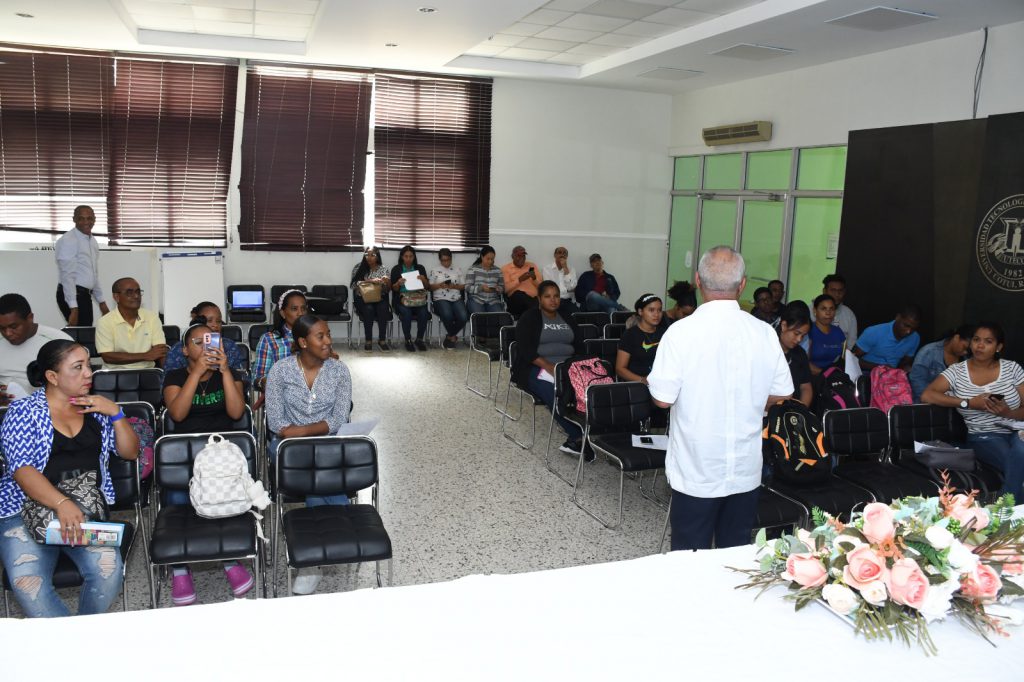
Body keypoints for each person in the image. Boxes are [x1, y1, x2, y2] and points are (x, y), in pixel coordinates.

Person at [648, 246, 792, 551]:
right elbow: (783, 391)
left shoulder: (680, 333)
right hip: (745, 469)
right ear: (743, 285)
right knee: (734, 554)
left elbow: (662, 399)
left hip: (697, 468)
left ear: (698, 281)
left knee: (690, 555)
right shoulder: (764, 332)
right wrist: (752, 401)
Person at [0, 339, 139, 617]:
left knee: (107, 572)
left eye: (88, 365)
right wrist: (61, 503)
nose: (88, 373)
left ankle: (80, 634)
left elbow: (130, 452)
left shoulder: (95, 409)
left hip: (83, 508)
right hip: (23, 508)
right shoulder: (23, 412)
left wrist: (115, 413)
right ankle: (68, 640)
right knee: (29, 582)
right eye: (78, 367)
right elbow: (22, 470)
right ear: (52, 377)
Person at [161, 322, 251, 605]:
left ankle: (230, 559)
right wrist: (196, 373)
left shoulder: (230, 373)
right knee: (178, 503)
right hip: (184, 458)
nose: (205, 347)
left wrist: (224, 372)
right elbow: (177, 413)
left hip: (221, 458)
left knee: (224, 501)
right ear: (185, 350)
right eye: (197, 343)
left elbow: (236, 412)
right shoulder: (175, 376)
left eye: (210, 341)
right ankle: (180, 567)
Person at [265, 315, 353, 595]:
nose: (328, 341)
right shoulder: (280, 371)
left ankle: (312, 562)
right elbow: (275, 422)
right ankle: (340, 535)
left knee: (319, 471)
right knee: (321, 470)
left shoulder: (339, 371)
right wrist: (295, 434)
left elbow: (339, 418)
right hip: (288, 448)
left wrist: (302, 431)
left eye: (328, 335)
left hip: (323, 443)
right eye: (321, 336)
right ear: (303, 342)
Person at [922, 322, 1024, 499]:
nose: (980, 345)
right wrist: (967, 403)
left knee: (1021, 452)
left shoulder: (1012, 369)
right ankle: (1007, 508)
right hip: (984, 435)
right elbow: (927, 395)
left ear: (998, 347)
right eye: (976, 340)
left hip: (1017, 430)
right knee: (1015, 463)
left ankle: (1006, 508)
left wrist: (1007, 413)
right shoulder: (956, 372)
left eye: (988, 341)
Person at [512, 280, 588, 455]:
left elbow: (579, 345)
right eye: (547, 296)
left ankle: (593, 428)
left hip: (568, 366)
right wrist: (549, 366)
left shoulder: (567, 316)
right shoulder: (530, 317)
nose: (553, 300)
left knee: (590, 389)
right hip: (536, 366)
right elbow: (525, 350)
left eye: (556, 296)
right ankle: (577, 436)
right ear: (539, 299)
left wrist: (576, 367)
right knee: (554, 391)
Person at [0, 293, 72, 405]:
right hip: (5, 409)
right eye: (2, 328)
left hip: (49, 408)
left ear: (30, 318)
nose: (8, 333)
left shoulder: (59, 342)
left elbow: (76, 382)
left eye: (14, 327)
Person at [54, 205, 109, 327]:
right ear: (74, 219)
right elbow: (67, 275)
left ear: (94, 219)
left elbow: (93, 274)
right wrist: (74, 307)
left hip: (83, 295)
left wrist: (101, 301)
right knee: (82, 333)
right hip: (72, 295)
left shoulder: (92, 241)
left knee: (84, 332)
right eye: (81, 218)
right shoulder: (68, 240)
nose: (86, 222)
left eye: (89, 218)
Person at [95, 277, 168, 369]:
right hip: (115, 373)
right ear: (116, 297)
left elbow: (160, 351)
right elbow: (107, 356)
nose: (136, 296)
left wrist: (167, 374)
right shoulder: (104, 322)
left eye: (138, 292)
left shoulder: (151, 317)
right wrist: (145, 355)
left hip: (147, 372)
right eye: (129, 292)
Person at [163, 301, 246, 377]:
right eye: (209, 320)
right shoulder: (179, 348)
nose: (215, 325)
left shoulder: (230, 346)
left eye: (218, 321)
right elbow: (169, 381)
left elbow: (240, 378)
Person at [253, 289, 308, 390]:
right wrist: (270, 382)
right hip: (281, 394)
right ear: (283, 313)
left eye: (303, 308)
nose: (300, 313)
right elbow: (257, 380)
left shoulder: (315, 336)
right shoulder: (269, 339)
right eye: (294, 309)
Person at [908, 324, 973, 402]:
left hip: (955, 404)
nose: (965, 352)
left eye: (968, 351)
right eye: (964, 348)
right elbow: (917, 383)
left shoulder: (966, 359)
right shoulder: (929, 352)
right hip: (926, 404)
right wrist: (938, 400)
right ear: (956, 338)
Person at [616, 293, 668, 384]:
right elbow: (620, 369)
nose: (656, 314)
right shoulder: (630, 335)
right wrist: (642, 380)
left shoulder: (665, 333)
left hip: (662, 382)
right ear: (640, 312)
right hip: (638, 384)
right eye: (651, 310)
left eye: (659, 310)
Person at [853, 305, 921, 371]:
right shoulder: (873, 332)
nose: (908, 331)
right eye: (906, 325)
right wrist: (880, 368)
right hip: (866, 372)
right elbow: (852, 358)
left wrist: (901, 369)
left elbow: (906, 361)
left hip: (893, 375)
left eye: (913, 329)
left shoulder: (915, 338)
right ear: (898, 317)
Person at [351, 247, 392, 352]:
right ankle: (368, 340)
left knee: (383, 308)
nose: (369, 257)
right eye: (367, 255)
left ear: (377, 257)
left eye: (372, 255)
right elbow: (353, 285)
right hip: (362, 298)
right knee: (368, 309)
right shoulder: (358, 267)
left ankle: (382, 340)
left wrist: (387, 282)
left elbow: (387, 290)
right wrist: (370, 281)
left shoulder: (383, 269)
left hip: (379, 297)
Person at [390, 245, 431, 352]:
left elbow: (427, 287)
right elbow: (393, 289)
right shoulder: (396, 269)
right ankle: (408, 340)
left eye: (411, 256)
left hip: (418, 298)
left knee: (423, 312)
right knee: (406, 312)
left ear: (414, 257)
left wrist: (424, 280)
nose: (408, 259)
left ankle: (419, 339)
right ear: (402, 257)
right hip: (402, 299)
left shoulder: (420, 268)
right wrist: (398, 283)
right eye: (406, 256)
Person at [429, 248, 468, 350]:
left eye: (448, 260)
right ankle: (452, 337)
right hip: (440, 298)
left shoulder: (457, 269)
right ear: (440, 260)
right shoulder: (434, 270)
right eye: (443, 260)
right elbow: (430, 287)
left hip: (456, 298)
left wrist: (454, 286)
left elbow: (463, 286)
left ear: (451, 258)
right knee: (447, 314)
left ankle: (450, 336)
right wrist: (440, 285)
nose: (446, 262)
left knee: (464, 317)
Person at [776, 301, 813, 408]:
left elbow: (806, 387)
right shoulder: (767, 350)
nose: (799, 339)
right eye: (796, 333)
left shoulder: (800, 353)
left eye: (803, 336)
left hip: (793, 410)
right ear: (784, 325)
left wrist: (801, 410)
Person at [806, 294, 846, 375]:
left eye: (832, 309)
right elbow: (803, 362)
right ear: (815, 311)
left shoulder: (838, 331)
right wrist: (826, 374)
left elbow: (845, 357)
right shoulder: (808, 331)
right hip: (812, 377)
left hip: (834, 377)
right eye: (823, 309)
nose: (828, 313)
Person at [464, 245, 505, 315]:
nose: (490, 261)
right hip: (476, 300)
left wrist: (498, 289)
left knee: (499, 317)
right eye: (488, 259)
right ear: (482, 257)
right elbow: (467, 287)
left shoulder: (498, 271)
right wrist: (481, 288)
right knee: (480, 317)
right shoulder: (473, 269)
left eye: (492, 259)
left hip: (493, 301)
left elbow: (502, 287)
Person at [501, 245, 539, 317]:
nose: (522, 258)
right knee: (519, 294)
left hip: (533, 299)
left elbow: (541, 287)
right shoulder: (505, 268)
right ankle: (535, 313)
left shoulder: (531, 266)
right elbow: (505, 289)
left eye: (523, 256)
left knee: (540, 300)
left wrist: (534, 278)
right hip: (516, 301)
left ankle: (533, 314)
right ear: (512, 256)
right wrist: (519, 279)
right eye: (519, 256)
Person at [823, 274, 858, 348]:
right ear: (824, 291)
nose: (837, 294)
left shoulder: (849, 314)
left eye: (840, 291)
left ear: (844, 292)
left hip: (840, 354)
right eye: (833, 290)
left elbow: (852, 341)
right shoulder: (810, 310)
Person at [542, 246, 578, 317]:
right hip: (553, 301)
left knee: (579, 317)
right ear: (555, 255)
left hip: (568, 301)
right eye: (559, 252)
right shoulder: (547, 269)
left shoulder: (572, 269)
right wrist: (566, 290)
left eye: (564, 253)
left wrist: (565, 268)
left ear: (567, 256)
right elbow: (549, 288)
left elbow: (571, 287)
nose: (562, 255)